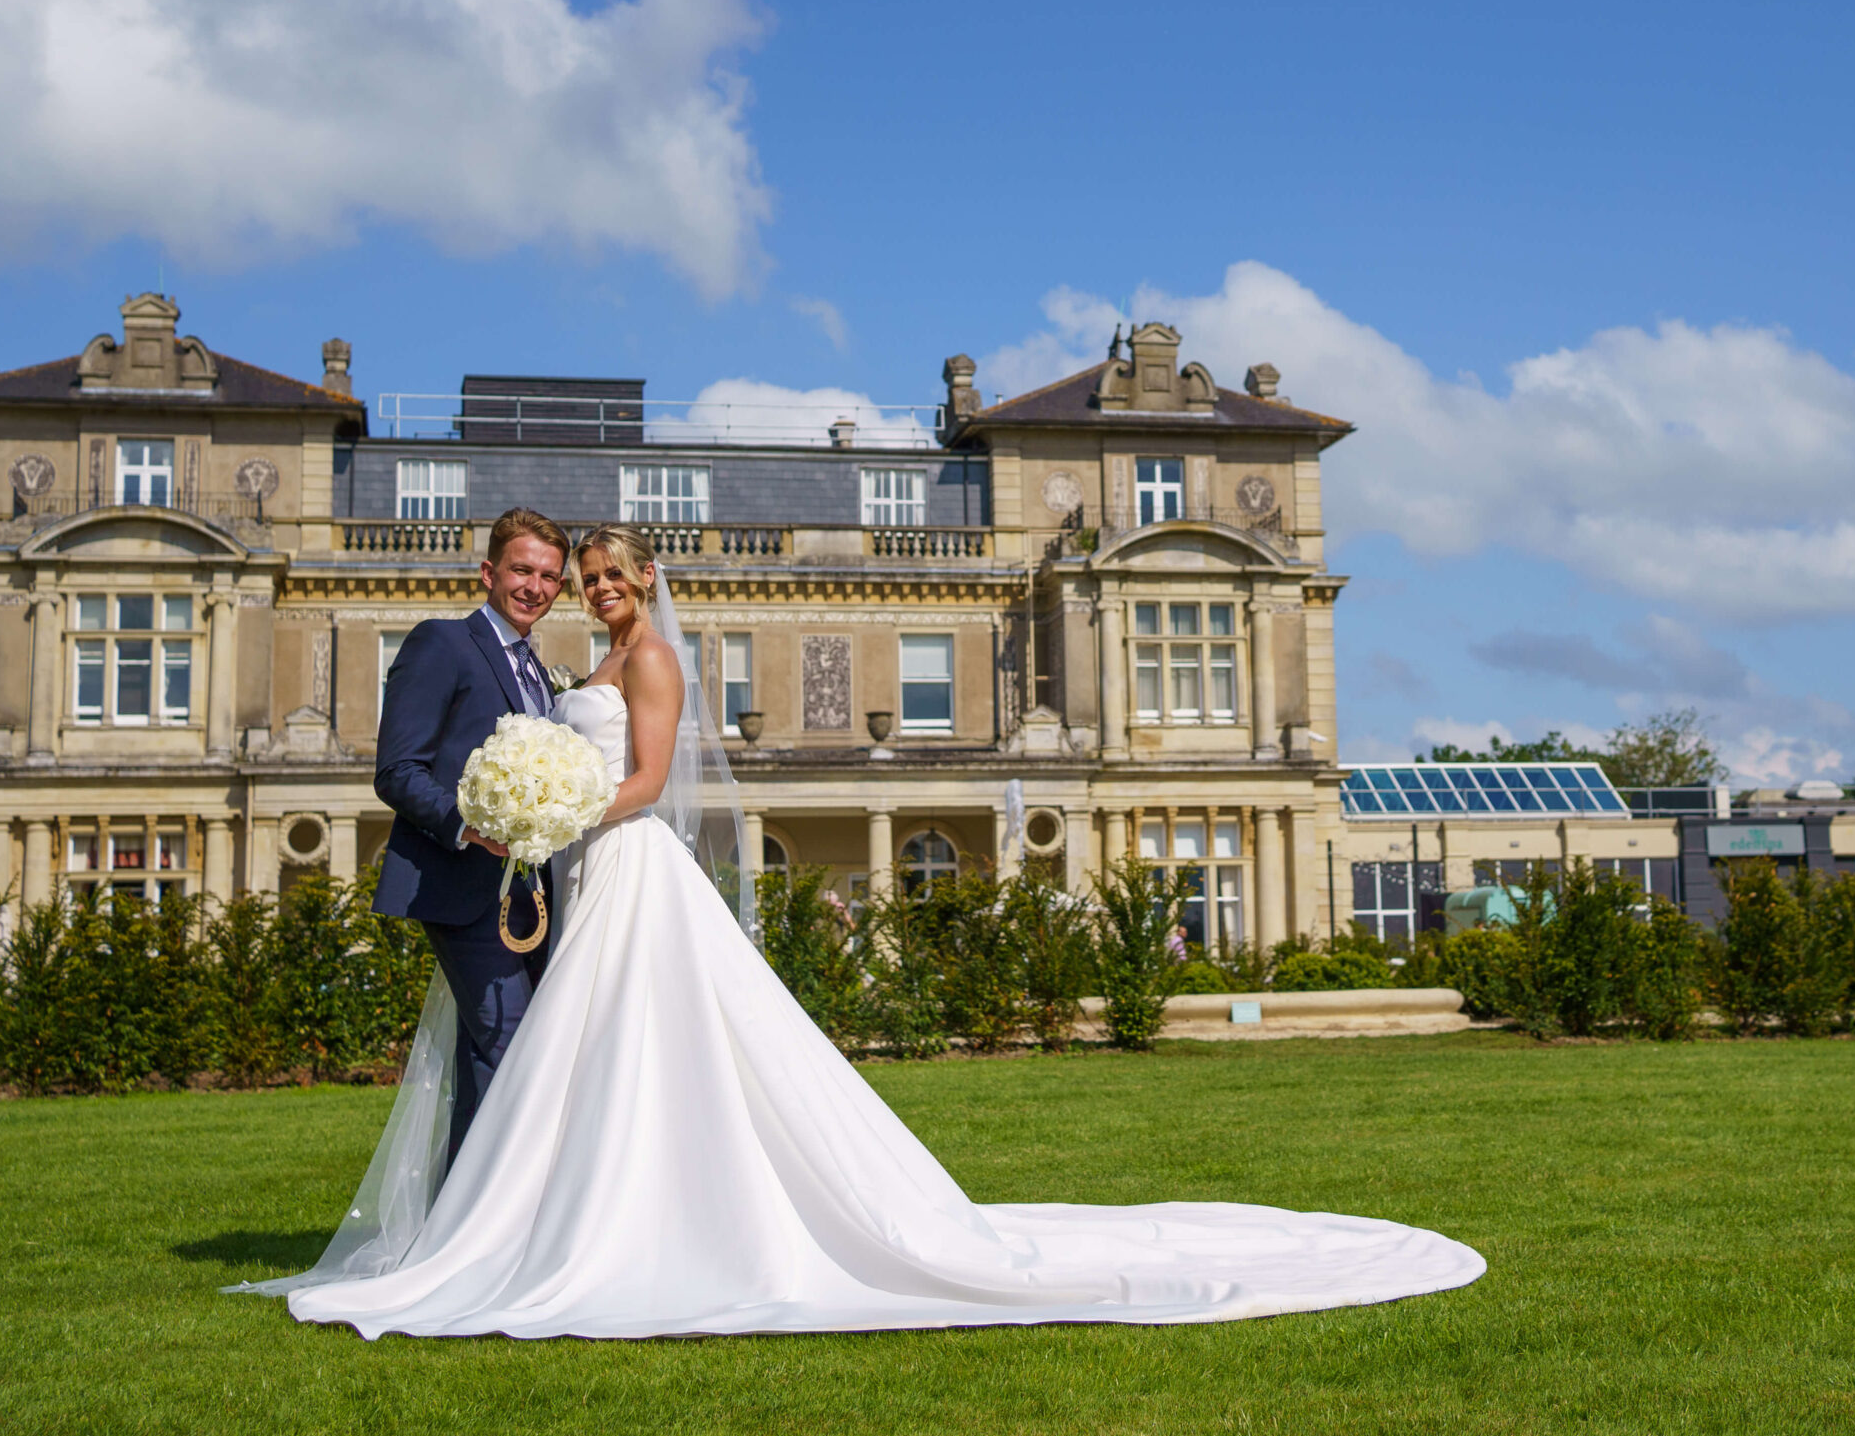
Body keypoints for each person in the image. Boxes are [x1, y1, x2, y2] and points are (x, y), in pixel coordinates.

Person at [251, 524, 1485, 1338]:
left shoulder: (655, 661)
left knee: (616, 1041)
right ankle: (548, 1213)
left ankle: (600, 1219)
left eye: (608, 580)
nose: (593, 592)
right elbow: (443, 759)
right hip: (568, 871)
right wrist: (538, 821)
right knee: (566, 1051)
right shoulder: (549, 655)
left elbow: (641, 776)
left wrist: (561, 816)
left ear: (642, 585)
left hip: (613, 858)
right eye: (583, 581)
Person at [366, 507, 569, 1169]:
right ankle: (492, 1230)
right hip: (461, 882)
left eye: (549, 576)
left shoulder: (539, 672)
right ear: (488, 571)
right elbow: (398, 770)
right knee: (508, 1040)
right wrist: (468, 827)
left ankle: (461, 1225)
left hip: (528, 892)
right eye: (521, 570)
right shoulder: (442, 643)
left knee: (495, 1049)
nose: (534, 586)